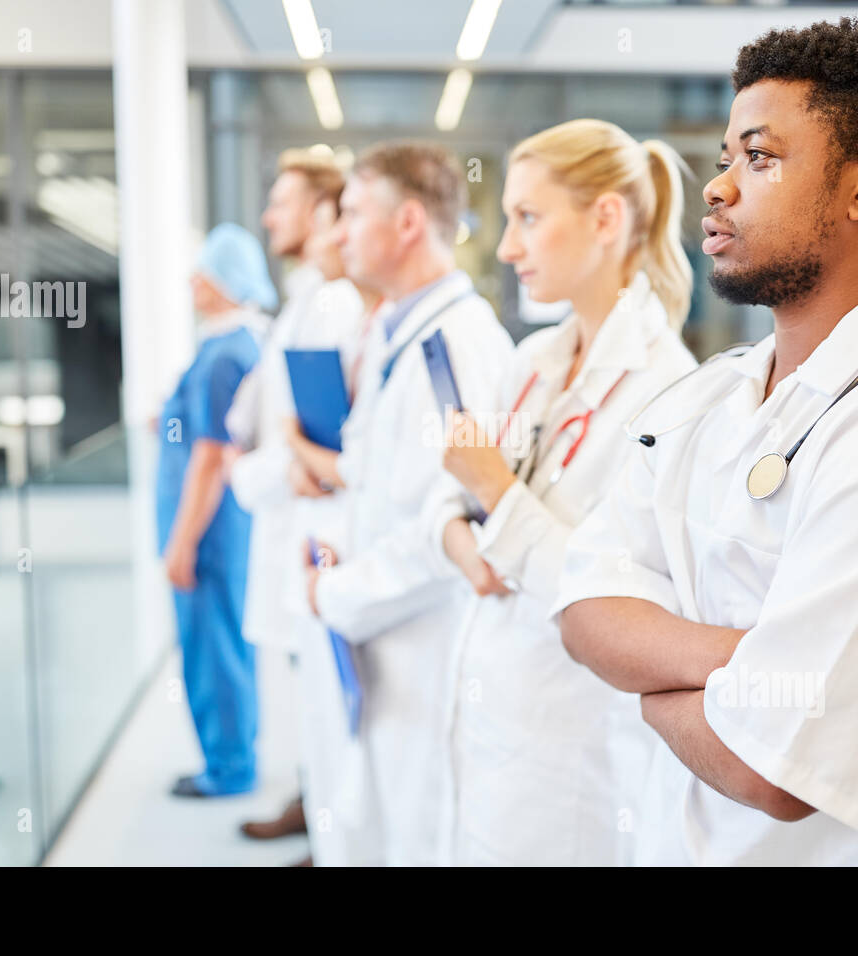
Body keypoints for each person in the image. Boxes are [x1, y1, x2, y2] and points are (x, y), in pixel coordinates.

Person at [555, 17, 858, 865]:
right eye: (724, 159)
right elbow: (581, 609)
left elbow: (777, 770)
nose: (717, 188)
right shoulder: (708, 398)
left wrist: (651, 684)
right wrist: (740, 662)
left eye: (760, 158)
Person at [427, 119, 697, 865]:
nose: (508, 245)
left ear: (606, 219)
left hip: (573, 751)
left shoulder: (666, 389)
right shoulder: (534, 360)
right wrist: (464, 538)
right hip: (498, 714)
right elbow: (450, 500)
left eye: (529, 218)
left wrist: (495, 498)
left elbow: (617, 607)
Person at [294, 141, 514, 865]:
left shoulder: (455, 347)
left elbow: (444, 534)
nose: (337, 234)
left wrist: (336, 591)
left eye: (353, 213)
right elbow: (380, 481)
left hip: (422, 651)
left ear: (409, 222)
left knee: (415, 836)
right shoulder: (401, 335)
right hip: (380, 643)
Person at [224, 150, 363, 843]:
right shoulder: (304, 299)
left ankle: (329, 825)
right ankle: (315, 807)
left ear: (318, 213)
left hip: (313, 514)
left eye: (280, 202)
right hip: (291, 511)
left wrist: (265, 471)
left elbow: (327, 445)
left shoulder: (334, 303)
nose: (267, 216)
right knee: (304, 685)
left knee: (324, 691)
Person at [157, 222, 273, 798]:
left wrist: (180, 543)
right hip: (221, 527)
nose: (192, 280)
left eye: (203, 269)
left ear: (227, 279)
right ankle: (234, 754)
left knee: (213, 645)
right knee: (226, 639)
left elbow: (210, 455)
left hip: (208, 531)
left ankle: (228, 767)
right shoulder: (230, 344)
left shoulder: (226, 353)